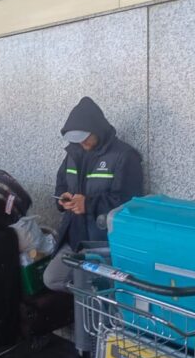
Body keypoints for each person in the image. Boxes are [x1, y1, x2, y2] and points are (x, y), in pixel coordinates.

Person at [43, 97, 144, 292]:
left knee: (99, 289)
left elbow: (130, 202)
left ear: (98, 129)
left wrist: (89, 204)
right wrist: (63, 199)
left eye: (85, 136)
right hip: (74, 237)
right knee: (52, 278)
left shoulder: (124, 156)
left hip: (103, 242)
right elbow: (61, 183)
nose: (82, 142)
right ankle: (88, 299)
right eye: (77, 138)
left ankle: (96, 301)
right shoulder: (73, 153)